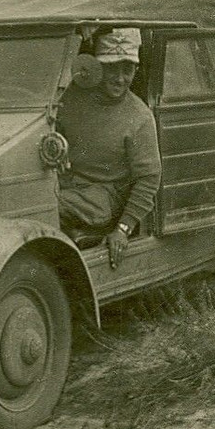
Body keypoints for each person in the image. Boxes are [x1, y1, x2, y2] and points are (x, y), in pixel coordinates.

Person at [56, 28, 162, 269]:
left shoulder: (139, 117)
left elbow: (149, 179)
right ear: (97, 67)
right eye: (112, 68)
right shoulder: (71, 98)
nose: (120, 78)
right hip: (66, 184)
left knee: (44, 206)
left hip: (102, 199)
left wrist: (123, 228)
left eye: (128, 70)